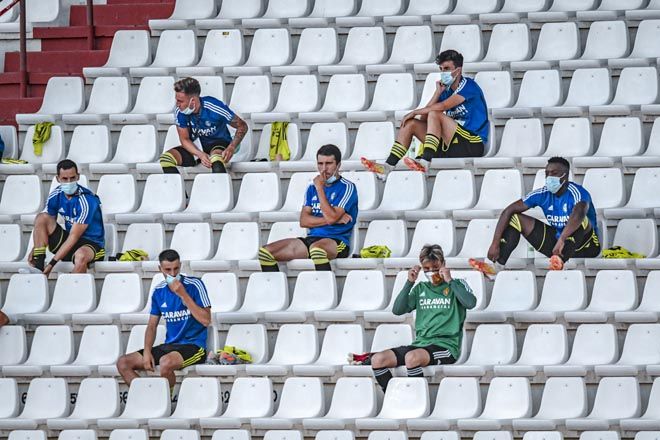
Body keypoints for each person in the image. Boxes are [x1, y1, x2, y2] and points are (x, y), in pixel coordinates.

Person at [362, 49, 489, 179]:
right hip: (452, 145)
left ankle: (425, 161)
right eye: (441, 69)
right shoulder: (446, 90)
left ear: (458, 70)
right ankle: (388, 166)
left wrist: (414, 111)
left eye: (447, 68)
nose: (443, 72)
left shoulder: (469, 86)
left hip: (472, 143)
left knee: (435, 113)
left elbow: (443, 106)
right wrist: (437, 93)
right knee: (411, 124)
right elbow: (424, 119)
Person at [370, 244, 476, 391]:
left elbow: (470, 303)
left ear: (443, 264)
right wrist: (409, 283)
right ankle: (394, 398)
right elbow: (397, 310)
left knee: (411, 358)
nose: (431, 272)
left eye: (435, 267)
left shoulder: (457, 284)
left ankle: (415, 399)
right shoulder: (421, 288)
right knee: (378, 360)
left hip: (446, 346)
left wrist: (450, 281)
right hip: (421, 344)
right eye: (426, 269)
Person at [480, 156, 600, 273]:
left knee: (581, 220)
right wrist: (495, 243)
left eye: (554, 173)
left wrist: (562, 239)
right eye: (547, 173)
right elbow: (508, 211)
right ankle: (497, 267)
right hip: (556, 247)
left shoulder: (577, 192)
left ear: (565, 176)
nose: (549, 177)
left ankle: (559, 261)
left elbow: (579, 213)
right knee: (515, 218)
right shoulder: (543, 194)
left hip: (586, 246)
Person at [116, 249, 211, 389]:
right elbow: (152, 326)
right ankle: (148, 398)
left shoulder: (195, 285)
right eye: (168, 270)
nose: (173, 274)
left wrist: (183, 295)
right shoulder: (159, 291)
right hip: (170, 345)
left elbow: (206, 320)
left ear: (181, 266)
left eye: (176, 268)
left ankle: (165, 401)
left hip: (194, 346)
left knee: (165, 362)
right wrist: (147, 352)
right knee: (123, 363)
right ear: (159, 268)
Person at [258, 144, 358, 271]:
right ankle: (273, 290)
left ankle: (325, 290)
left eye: (329, 163)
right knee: (266, 253)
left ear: (338, 165)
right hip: (311, 239)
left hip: (337, 241)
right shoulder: (311, 189)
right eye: (320, 164)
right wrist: (334, 219)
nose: (323, 169)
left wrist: (320, 188)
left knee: (317, 251)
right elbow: (304, 221)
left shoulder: (347, 187)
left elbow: (331, 217)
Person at [28, 159, 105, 275]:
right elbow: (46, 226)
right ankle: (38, 268)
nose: (69, 182)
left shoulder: (87, 200)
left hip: (91, 245)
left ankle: (72, 290)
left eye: (72, 178)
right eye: (64, 179)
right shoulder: (56, 194)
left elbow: (74, 236)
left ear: (78, 177)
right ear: (58, 178)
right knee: (42, 217)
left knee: (81, 256)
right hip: (69, 241)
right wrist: (35, 249)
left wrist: (52, 264)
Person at [159, 77, 248, 174]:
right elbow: (184, 139)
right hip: (197, 147)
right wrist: (200, 154)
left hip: (219, 143)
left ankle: (221, 189)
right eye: (176, 100)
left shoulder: (214, 106)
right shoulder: (180, 112)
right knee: (166, 159)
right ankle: (178, 189)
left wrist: (232, 147)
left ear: (192, 101)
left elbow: (242, 126)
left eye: (180, 101)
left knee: (215, 158)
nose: (177, 104)